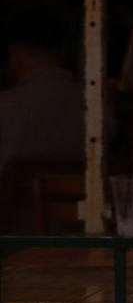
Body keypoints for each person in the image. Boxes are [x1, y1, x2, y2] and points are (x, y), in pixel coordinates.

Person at [0, 12, 83, 178]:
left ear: (17, 54)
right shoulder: (98, 107)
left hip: (14, 202)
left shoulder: (5, 108)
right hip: (81, 200)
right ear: (63, 53)